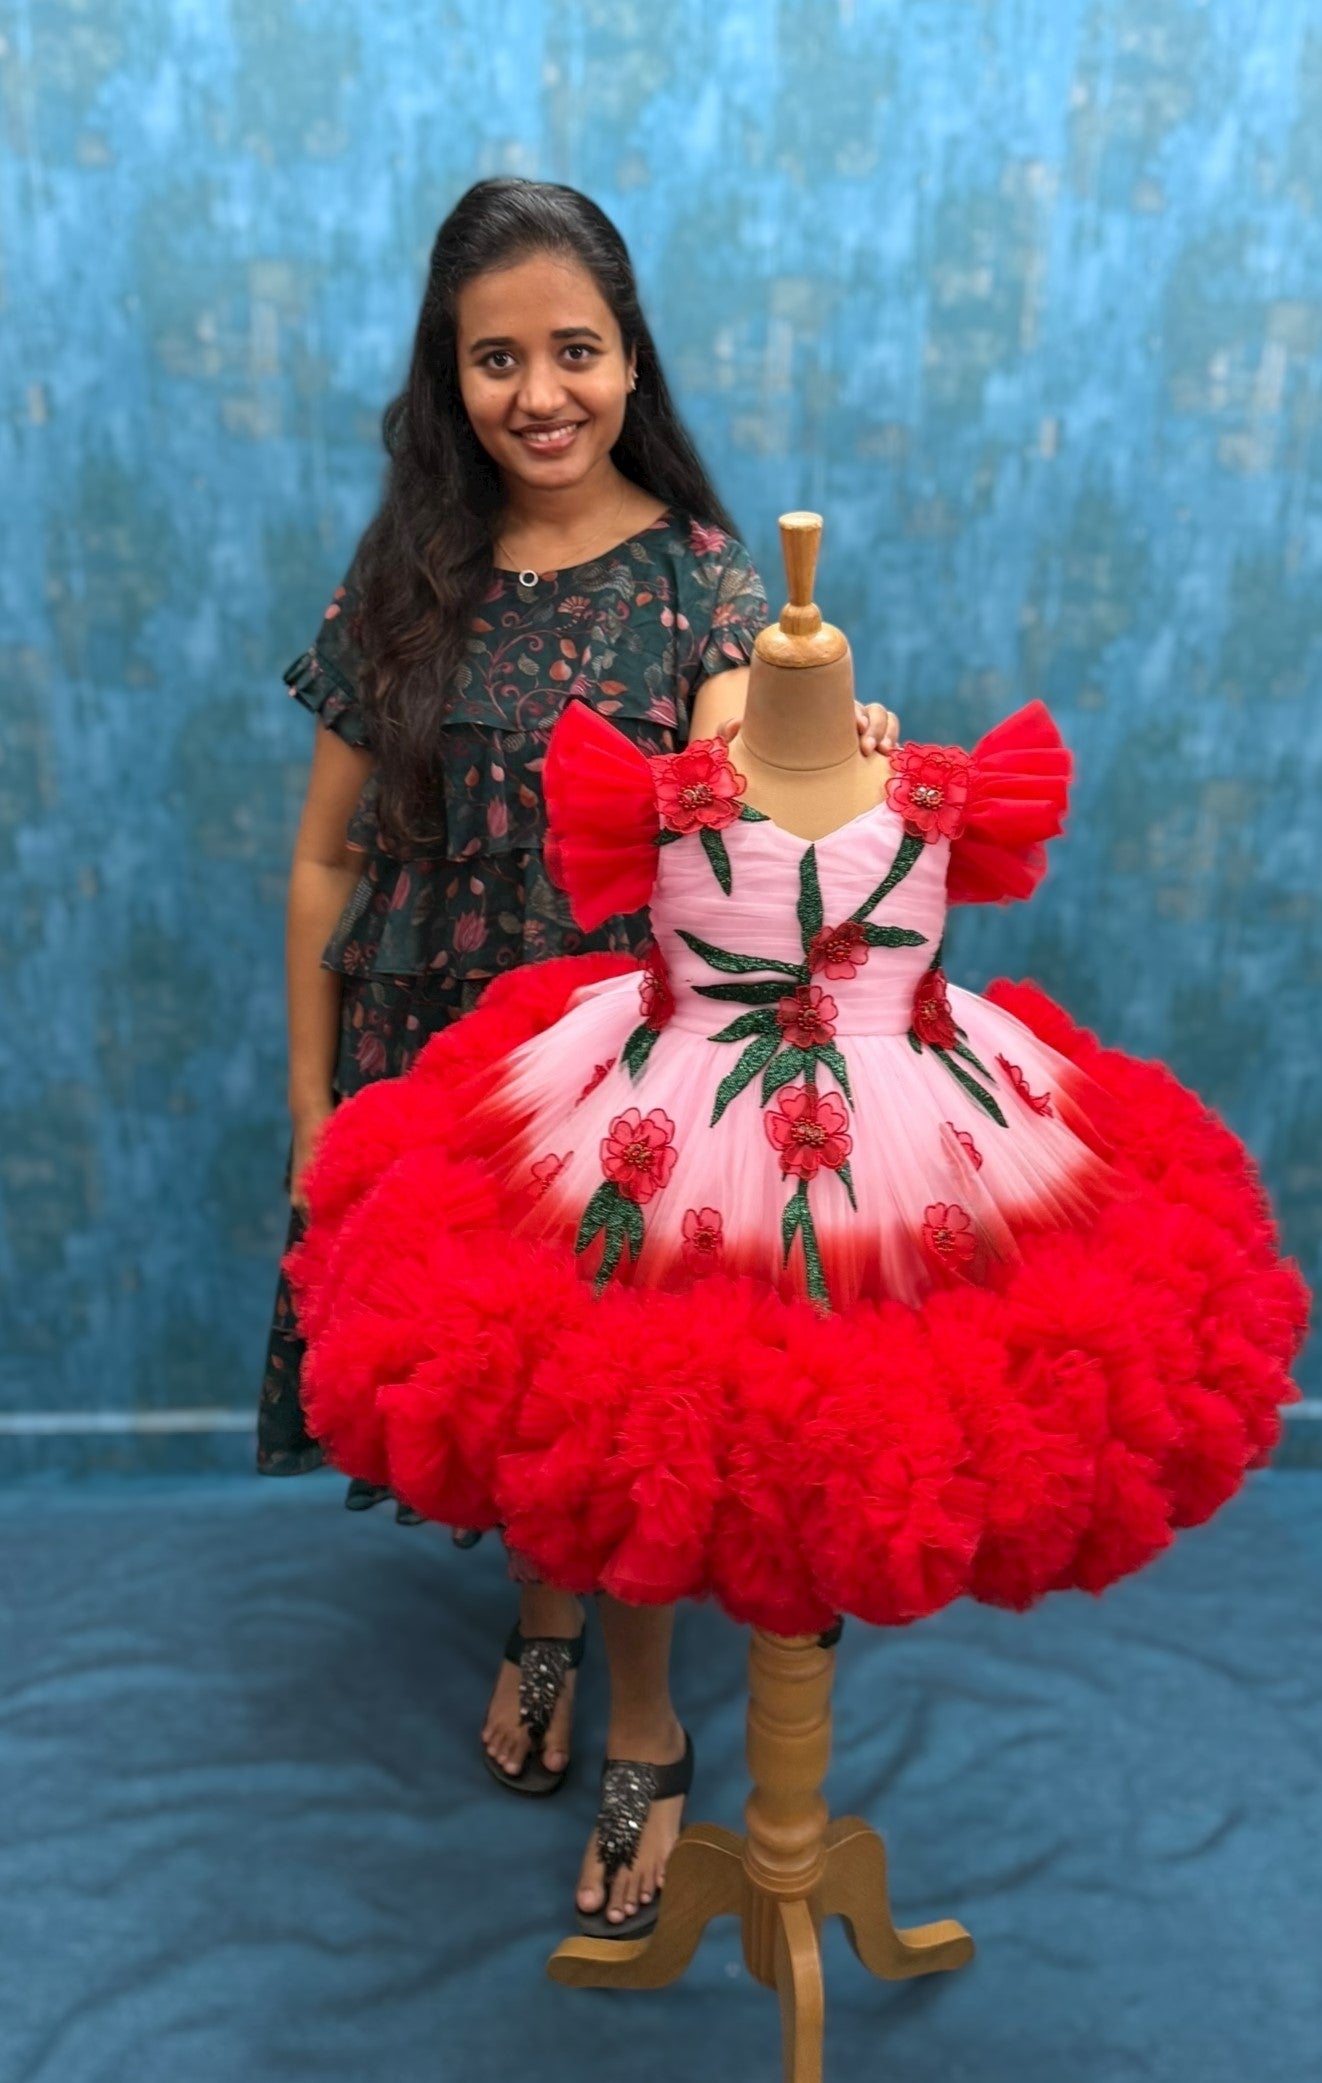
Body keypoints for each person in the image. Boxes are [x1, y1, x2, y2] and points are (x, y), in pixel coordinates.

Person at [256, 177, 901, 1931]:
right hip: (432, 1054)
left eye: (573, 350)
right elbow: (327, 851)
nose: (538, 393)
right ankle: (537, 1623)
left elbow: (735, 792)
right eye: (494, 358)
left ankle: (641, 1726)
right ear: (445, 377)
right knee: (505, 1389)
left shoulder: (697, 580)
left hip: (617, 1074)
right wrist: (319, 1102)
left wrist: (814, 737)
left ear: (629, 360)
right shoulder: (404, 574)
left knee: (623, 1407)